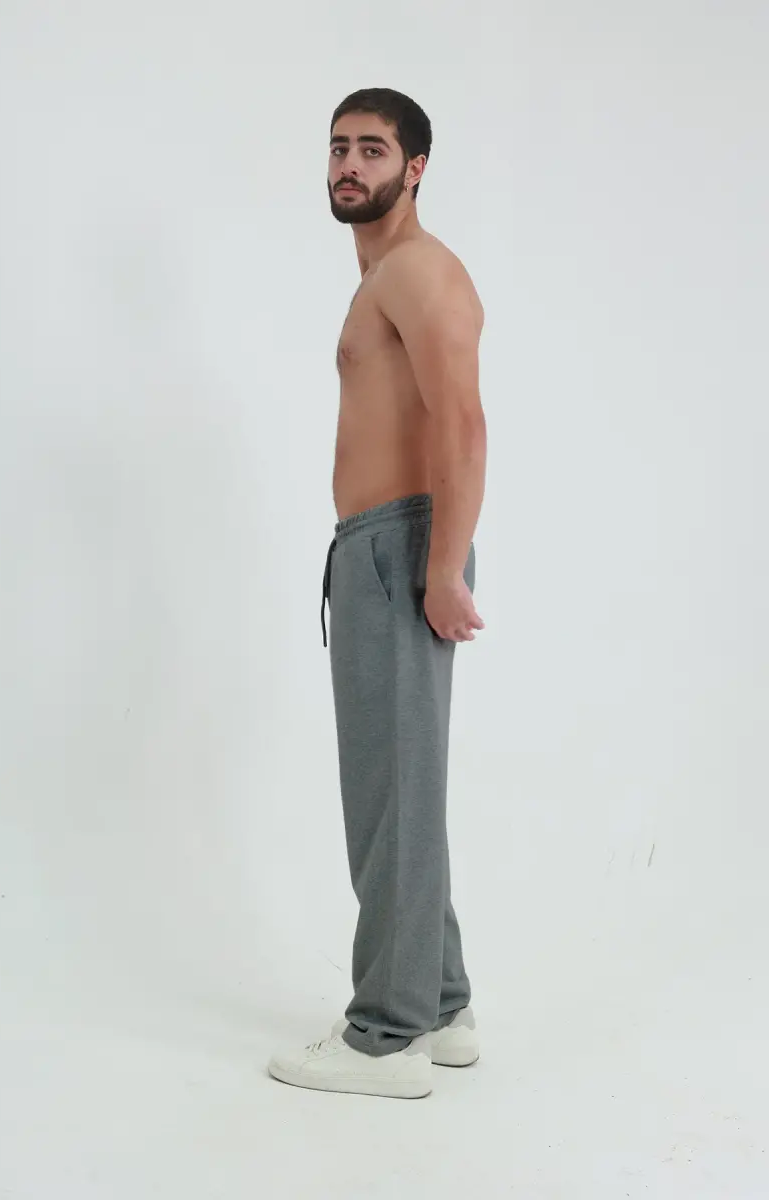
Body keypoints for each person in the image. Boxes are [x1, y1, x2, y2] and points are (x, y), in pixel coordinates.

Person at [268, 88, 487, 1099]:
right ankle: (439, 1003)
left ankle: (384, 1036)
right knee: (402, 793)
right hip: (381, 548)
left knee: (387, 800)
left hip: (401, 548)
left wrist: (440, 566)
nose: (349, 165)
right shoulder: (383, 276)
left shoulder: (418, 271)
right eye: (338, 148)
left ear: (416, 168)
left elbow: (462, 421)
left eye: (372, 149)